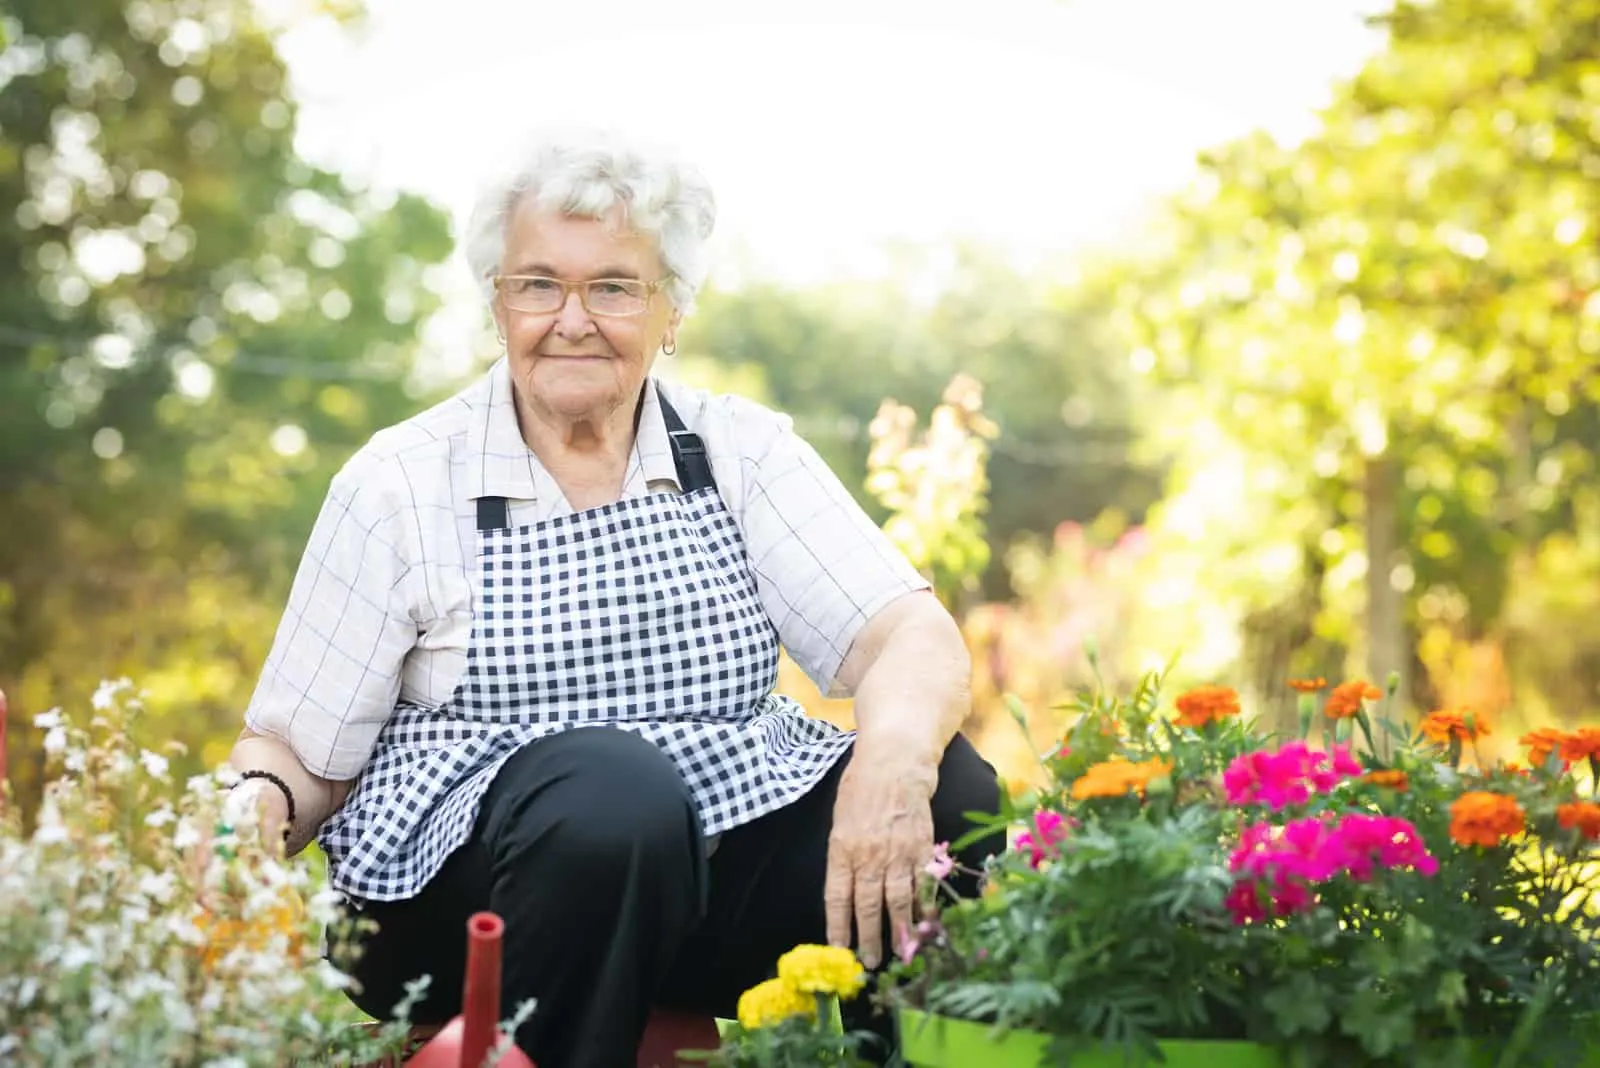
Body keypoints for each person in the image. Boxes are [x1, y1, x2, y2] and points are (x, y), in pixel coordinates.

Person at [226, 129, 1003, 1068]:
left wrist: (892, 765)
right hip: (469, 898)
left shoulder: (738, 453)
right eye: (538, 283)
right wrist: (250, 813)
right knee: (612, 792)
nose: (572, 318)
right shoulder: (399, 482)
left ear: (670, 311)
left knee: (954, 797)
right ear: (497, 305)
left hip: (708, 875)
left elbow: (906, 635)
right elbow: (301, 753)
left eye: (614, 287)